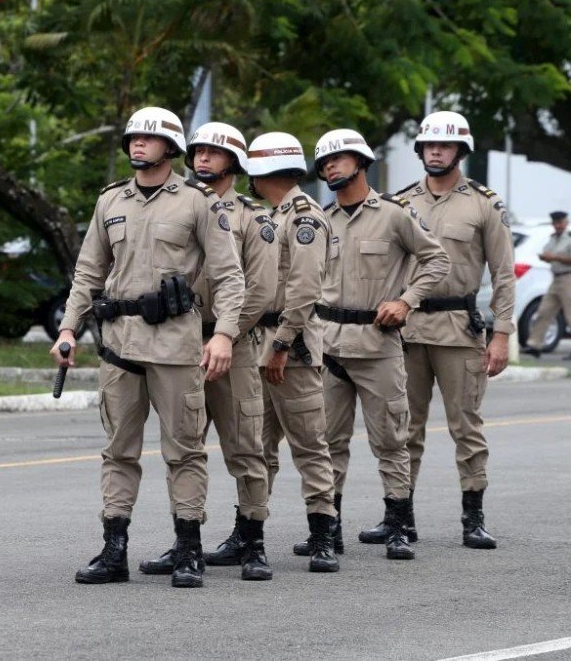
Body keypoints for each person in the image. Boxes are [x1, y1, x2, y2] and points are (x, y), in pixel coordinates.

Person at [51, 106, 245, 589]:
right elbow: (88, 271)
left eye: (149, 138)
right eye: (133, 138)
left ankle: (188, 549)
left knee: (184, 451)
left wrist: (223, 334)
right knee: (118, 450)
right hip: (119, 344)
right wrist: (68, 328)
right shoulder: (110, 202)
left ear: (171, 148)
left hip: (176, 347)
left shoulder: (198, 203)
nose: (138, 144)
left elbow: (227, 275)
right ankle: (114, 549)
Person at [368, 110, 515, 550]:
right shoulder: (400, 202)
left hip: (458, 329)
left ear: (460, 151)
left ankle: (473, 518)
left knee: (465, 427)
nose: (436, 151)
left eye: (445, 145)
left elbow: (503, 274)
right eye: (430, 145)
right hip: (406, 329)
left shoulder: (484, 204)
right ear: (420, 150)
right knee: (402, 428)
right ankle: (400, 516)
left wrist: (502, 334)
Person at [138, 122, 276, 581]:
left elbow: (258, 289)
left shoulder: (252, 218)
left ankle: (251, 541)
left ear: (234, 163)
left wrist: (227, 334)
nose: (201, 159)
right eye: (196, 151)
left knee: (245, 448)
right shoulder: (177, 205)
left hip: (230, 345)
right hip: (179, 343)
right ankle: (186, 542)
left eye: (213, 153)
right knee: (183, 447)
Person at [315, 128, 450, 561]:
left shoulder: (394, 214)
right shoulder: (322, 220)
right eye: (324, 163)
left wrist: (407, 301)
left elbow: (437, 258)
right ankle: (327, 529)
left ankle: (397, 525)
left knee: (391, 440)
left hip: (378, 346)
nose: (331, 167)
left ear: (361, 162)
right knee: (328, 442)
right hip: (330, 346)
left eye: (339, 159)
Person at [248, 132, 340, 573]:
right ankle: (249, 531)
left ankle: (323, 534)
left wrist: (282, 344)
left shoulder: (305, 217)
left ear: (264, 171)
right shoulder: (273, 215)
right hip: (261, 343)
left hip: (292, 346)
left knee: (308, 444)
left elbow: (304, 289)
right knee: (257, 446)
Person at [522, 211, 571, 359]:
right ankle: (535, 345)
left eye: (560, 222)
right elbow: (547, 254)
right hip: (555, 279)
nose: (557, 225)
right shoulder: (552, 239)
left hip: (568, 278)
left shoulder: (569, 239)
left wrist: (554, 257)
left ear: (565, 222)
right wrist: (546, 258)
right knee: (544, 311)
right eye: (555, 223)